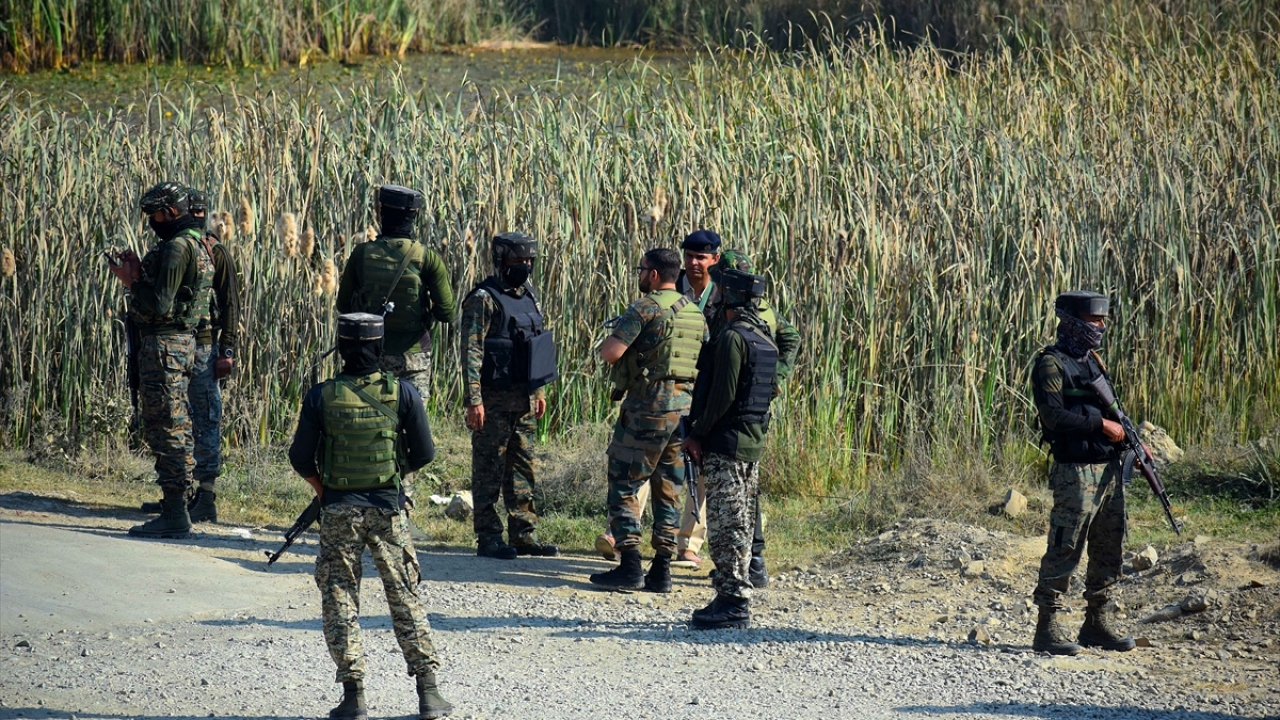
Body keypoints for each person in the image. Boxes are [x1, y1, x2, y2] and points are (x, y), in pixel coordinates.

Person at [288, 312, 454, 720]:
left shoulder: (320, 395)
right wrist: (394, 480)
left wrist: (324, 490)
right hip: (387, 509)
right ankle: (429, 694)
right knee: (404, 596)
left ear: (342, 347)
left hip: (338, 509)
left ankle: (354, 696)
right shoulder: (403, 393)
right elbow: (425, 453)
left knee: (340, 595)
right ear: (380, 347)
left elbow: (299, 457)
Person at [595, 229, 721, 568]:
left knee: (624, 482)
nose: (639, 276)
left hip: (647, 408)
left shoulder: (645, 308)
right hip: (684, 412)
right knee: (669, 489)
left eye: (640, 270)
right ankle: (662, 569)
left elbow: (610, 353)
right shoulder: (696, 313)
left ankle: (630, 563)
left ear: (652, 274)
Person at [1029, 290, 1137, 656]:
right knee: (1066, 545)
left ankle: (1097, 622)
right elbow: (1053, 417)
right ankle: (1048, 626)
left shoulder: (1093, 361)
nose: (1101, 328)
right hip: (1075, 471)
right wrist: (1101, 425)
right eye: (1094, 321)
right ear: (1072, 322)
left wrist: (1132, 442)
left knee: (1109, 546)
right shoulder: (1050, 364)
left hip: (1107, 470)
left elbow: (1116, 412)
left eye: (1102, 321)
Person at [108, 181, 214, 539]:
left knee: (167, 425)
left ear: (170, 212)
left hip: (165, 347)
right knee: (175, 423)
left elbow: (161, 304)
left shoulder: (177, 247)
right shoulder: (195, 243)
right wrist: (140, 274)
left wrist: (129, 282)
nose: (151, 220)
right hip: (177, 346)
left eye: (154, 214)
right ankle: (176, 504)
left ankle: (175, 512)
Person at [682, 267, 778, 629]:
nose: (716, 291)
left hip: (727, 444)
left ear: (731, 296)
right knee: (739, 520)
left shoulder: (732, 338)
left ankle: (733, 600)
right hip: (750, 442)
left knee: (726, 524)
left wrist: (697, 433)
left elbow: (721, 395)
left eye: (721, 288)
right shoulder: (763, 337)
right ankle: (728, 595)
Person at [139, 187, 240, 522]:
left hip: (205, 345)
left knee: (204, 416)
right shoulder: (180, 246)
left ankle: (204, 494)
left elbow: (230, 303)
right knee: (176, 417)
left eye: (198, 214)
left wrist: (228, 348)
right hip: (182, 341)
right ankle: (178, 496)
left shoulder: (211, 249)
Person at [459, 232, 559, 560]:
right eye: (517, 262)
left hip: (525, 400)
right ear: (502, 262)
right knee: (488, 468)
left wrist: (539, 389)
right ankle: (488, 536)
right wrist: (474, 400)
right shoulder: (483, 298)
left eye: (528, 262)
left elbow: (536, 344)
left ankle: (523, 534)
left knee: (523, 469)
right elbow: (471, 350)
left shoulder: (530, 296)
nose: (524, 267)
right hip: (492, 400)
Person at [336, 184, 456, 408]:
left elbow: (344, 306)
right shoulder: (427, 258)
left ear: (382, 213)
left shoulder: (361, 254)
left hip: (370, 356)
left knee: (375, 426)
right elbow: (447, 312)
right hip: (415, 358)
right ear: (414, 216)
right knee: (414, 428)